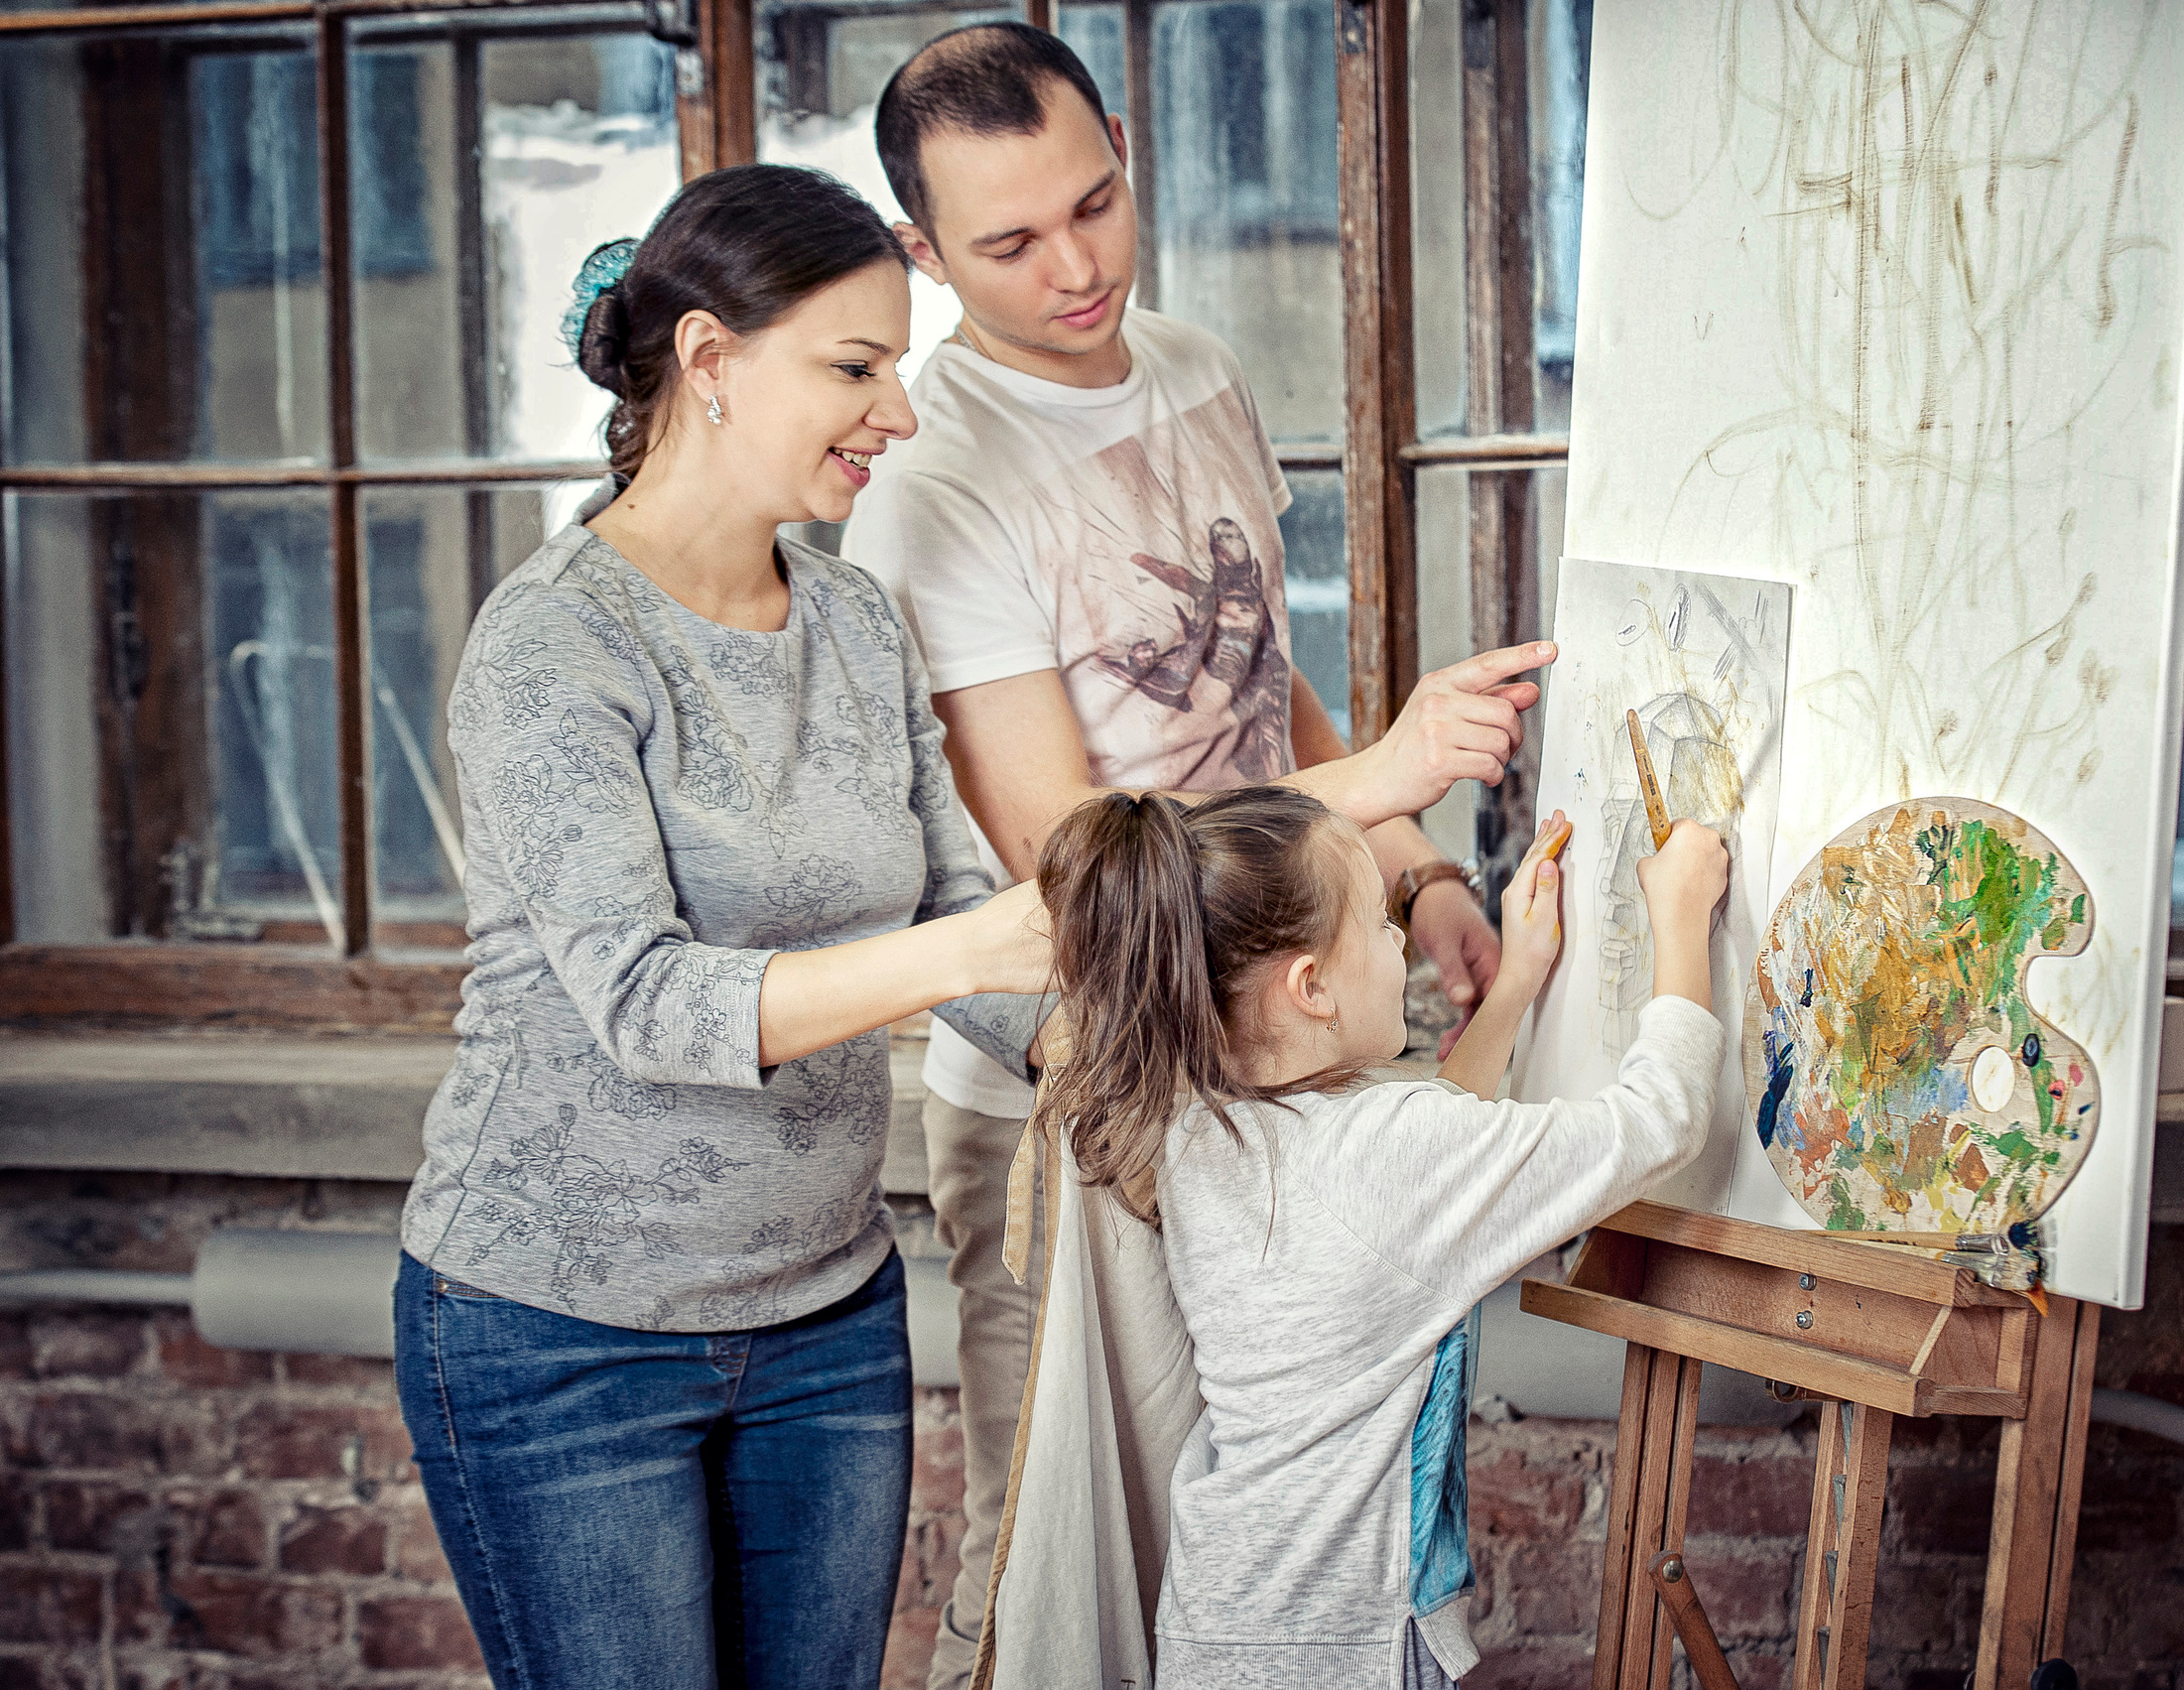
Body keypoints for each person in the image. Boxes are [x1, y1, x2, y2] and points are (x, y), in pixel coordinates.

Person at [847, 28, 1547, 1685]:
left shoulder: (1194, 361)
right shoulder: (932, 479)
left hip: (1289, 1068)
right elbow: (1077, 862)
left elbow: (1255, 685)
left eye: (1097, 204)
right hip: (1086, 1109)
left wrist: (1413, 866)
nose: (1078, 265)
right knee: (1063, 1576)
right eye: (1011, 244)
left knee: (1290, 1556)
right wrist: (1380, 775)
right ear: (921, 256)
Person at [392, 164, 1051, 1690]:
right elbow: (646, 999)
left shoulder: (853, 618)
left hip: (826, 1310)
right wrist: (972, 952)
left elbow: (955, 899)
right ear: (708, 360)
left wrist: (1130, 1044)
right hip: (561, 1330)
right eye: (856, 365)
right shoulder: (552, 641)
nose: (897, 409)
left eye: (897, 364)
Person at [1026, 789, 1729, 1686]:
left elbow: (1415, 1176)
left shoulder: (1208, 1125)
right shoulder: (1383, 1155)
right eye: (1381, 919)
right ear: (1310, 984)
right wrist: (1680, 923)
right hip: (1335, 1652)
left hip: (1221, 1627)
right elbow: (1657, 1124)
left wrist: (1515, 984)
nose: (1404, 941)